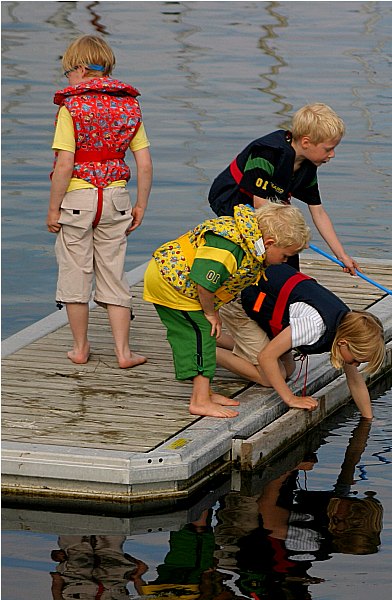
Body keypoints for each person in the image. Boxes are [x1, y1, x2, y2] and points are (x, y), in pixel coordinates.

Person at [143, 202, 311, 418]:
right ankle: (199, 401)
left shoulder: (252, 244)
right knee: (202, 333)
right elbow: (204, 282)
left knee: (203, 334)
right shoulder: (230, 247)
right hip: (171, 283)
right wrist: (211, 313)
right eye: (285, 256)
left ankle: (205, 392)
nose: (285, 261)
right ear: (269, 243)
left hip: (184, 284)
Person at [47, 34, 152, 369]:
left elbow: (65, 163)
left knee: (75, 274)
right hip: (116, 198)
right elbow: (145, 163)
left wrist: (53, 209)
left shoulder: (71, 107)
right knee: (113, 273)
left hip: (78, 197)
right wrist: (140, 205)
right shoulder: (129, 105)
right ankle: (124, 353)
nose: (68, 79)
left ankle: (80, 348)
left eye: (68, 73)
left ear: (79, 68)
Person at [216, 263, 385, 418]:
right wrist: (291, 398)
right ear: (344, 343)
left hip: (265, 303)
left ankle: (216, 338)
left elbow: (355, 381)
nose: (355, 364)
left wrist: (368, 418)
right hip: (239, 301)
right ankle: (206, 350)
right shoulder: (314, 326)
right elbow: (266, 357)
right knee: (271, 377)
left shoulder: (347, 328)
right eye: (356, 360)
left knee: (288, 368)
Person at [208, 102, 359, 274]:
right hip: (232, 198)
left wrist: (341, 255)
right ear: (306, 142)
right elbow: (259, 203)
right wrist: (290, 231)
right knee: (273, 240)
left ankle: (287, 282)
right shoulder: (267, 152)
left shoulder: (307, 166)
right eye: (328, 149)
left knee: (289, 247)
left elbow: (318, 212)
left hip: (268, 203)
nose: (332, 154)